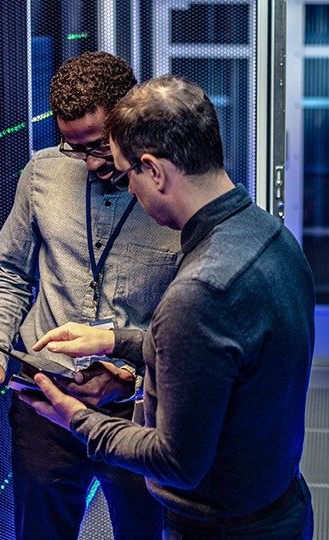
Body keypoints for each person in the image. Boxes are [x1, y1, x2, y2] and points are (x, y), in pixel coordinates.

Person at [24, 75, 316, 540]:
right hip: (280, 505)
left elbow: (174, 462)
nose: (128, 192)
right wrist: (116, 340)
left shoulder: (199, 290)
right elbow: (225, 355)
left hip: (219, 528)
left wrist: (74, 418)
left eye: (127, 175)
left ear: (154, 171)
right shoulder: (271, 236)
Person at [0, 52, 181, 540]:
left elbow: (195, 316)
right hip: (45, 400)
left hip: (139, 414)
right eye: (73, 147)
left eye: (100, 145)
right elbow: (9, 272)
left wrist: (132, 376)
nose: (92, 163)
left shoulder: (176, 192)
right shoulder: (42, 175)